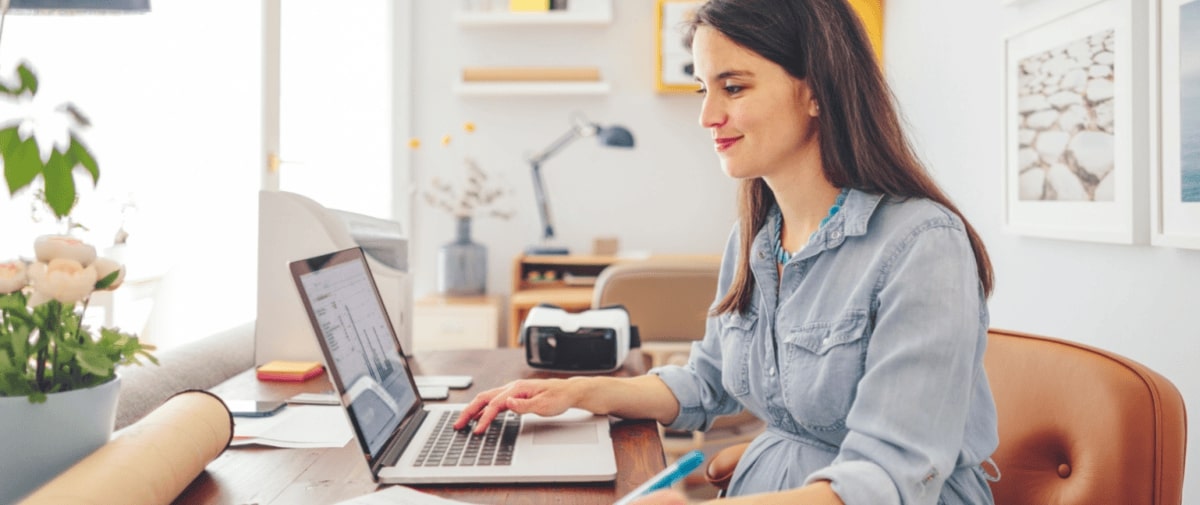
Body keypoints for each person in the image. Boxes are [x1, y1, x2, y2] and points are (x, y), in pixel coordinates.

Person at [453, 0, 999, 503]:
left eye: (733, 88)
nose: (707, 116)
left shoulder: (921, 245)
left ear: (816, 91)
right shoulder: (757, 238)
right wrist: (577, 394)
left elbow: (884, 479)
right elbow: (708, 380)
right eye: (702, 89)